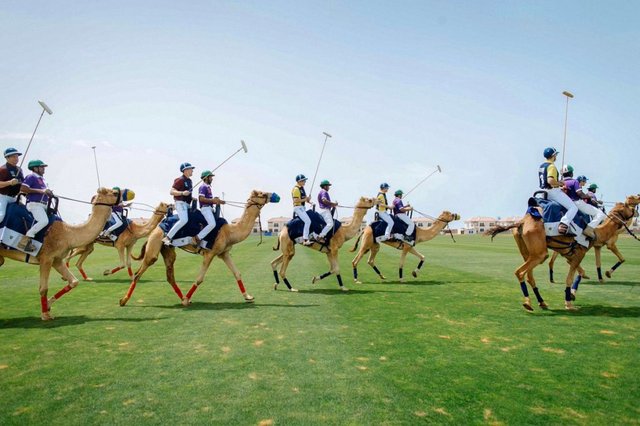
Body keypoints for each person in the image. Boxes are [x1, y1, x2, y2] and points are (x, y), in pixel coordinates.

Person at [538, 148, 577, 235]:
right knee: (573, 208)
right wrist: (560, 183)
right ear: (553, 156)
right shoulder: (552, 166)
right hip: (553, 192)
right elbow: (550, 181)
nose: (556, 157)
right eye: (555, 155)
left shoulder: (541, 166)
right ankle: (563, 224)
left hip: (542, 192)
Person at [18, 160, 53, 252]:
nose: (43, 169)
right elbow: (23, 188)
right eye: (41, 167)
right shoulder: (31, 176)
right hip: (34, 204)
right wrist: (42, 191)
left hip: (44, 205)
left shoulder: (42, 179)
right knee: (44, 221)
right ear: (35, 168)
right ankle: (25, 241)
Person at [163, 162, 195, 245]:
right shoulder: (180, 179)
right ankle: (167, 237)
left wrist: (191, 198)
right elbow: (172, 191)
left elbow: (187, 194)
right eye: (191, 169)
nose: (192, 170)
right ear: (185, 170)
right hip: (180, 203)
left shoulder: (190, 181)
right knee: (184, 220)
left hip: (187, 204)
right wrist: (182, 193)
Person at [195, 170, 225, 245]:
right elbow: (201, 199)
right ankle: (197, 238)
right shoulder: (203, 187)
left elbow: (211, 200)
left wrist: (219, 201)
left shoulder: (208, 187)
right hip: (205, 208)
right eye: (210, 177)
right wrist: (214, 201)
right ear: (206, 178)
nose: (212, 178)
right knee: (212, 224)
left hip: (210, 209)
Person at [0, 147, 25, 224]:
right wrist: (9, 183)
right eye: (14, 156)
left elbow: (23, 184)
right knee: (1, 216)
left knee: (25, 213)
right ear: (7, 158)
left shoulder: (19, 169)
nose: (16, 158)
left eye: (17, 156)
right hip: (3, 197)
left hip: (15, 198)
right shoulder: (3, 169)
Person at [292, 174, 313, 246]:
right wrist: (305, 199)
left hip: (302, 208)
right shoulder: (296, 189)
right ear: (299, 181)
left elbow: (304, 199)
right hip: (298, 208)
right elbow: (296, 200)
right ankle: (305, 239)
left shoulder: (302, 188)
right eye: (303, 180)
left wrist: (309, 201)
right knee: (308, 221)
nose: (305, 182)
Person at [316, 180, 338, 244]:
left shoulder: (321, 192)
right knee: (330, 224)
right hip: (324, 210)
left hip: (322, 210)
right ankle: (320, 236)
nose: (329, 187)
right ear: (325, 186)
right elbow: (324, 200)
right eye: (328, 186)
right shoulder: (324, 192)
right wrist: (333, 204)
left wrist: (332, 205)